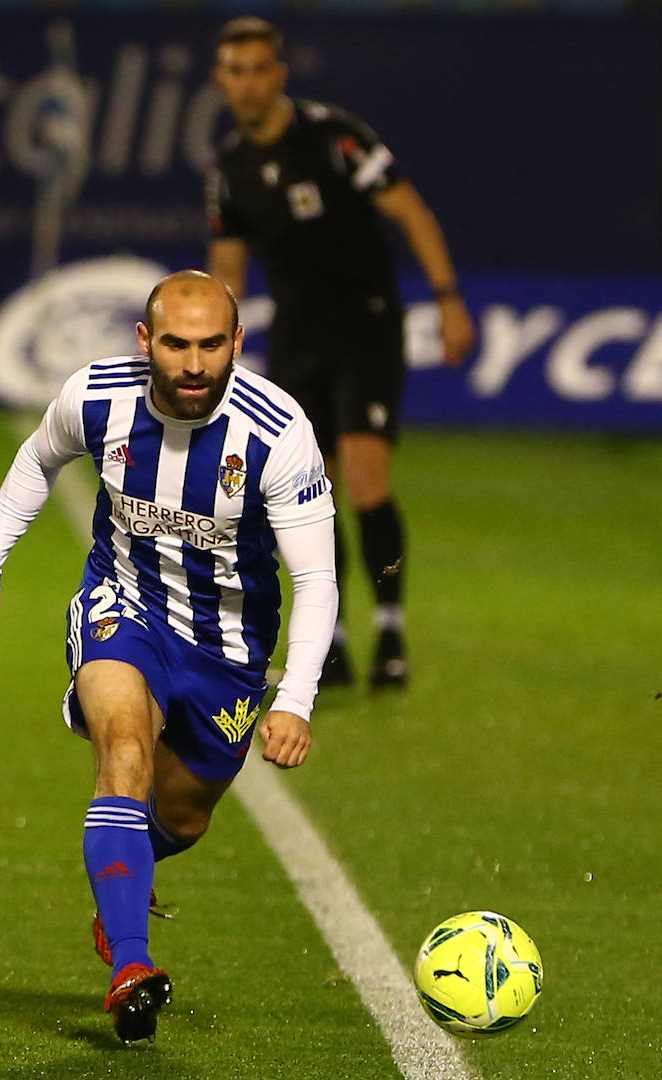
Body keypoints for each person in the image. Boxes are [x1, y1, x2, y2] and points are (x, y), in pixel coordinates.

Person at [0, 270, 337, 1045]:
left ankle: (119, 888)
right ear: (144, 342)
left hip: (228, 649)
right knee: (123, 752)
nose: (192, 364)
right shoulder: (96, 397)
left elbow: (315, 576)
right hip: (121, 608)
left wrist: (295, 696)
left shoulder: (279, 432)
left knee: (184, 817)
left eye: (209, 346)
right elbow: (36, 462)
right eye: (174, 344)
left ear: (235, 343)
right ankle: (132, 964)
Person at [207, 16, 476, 690]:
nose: (246, 83)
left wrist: (447, 298)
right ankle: (334, 638)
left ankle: (390, 628)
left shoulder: (335, 138)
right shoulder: (231, 168)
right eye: (234, 71)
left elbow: (411, 211)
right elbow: (228, 267)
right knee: (313, 494)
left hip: (368, 324)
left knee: (366, 476)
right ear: (222, 79)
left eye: (258, 69)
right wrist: (213, 348)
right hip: (299, 335)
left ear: (280, 74)